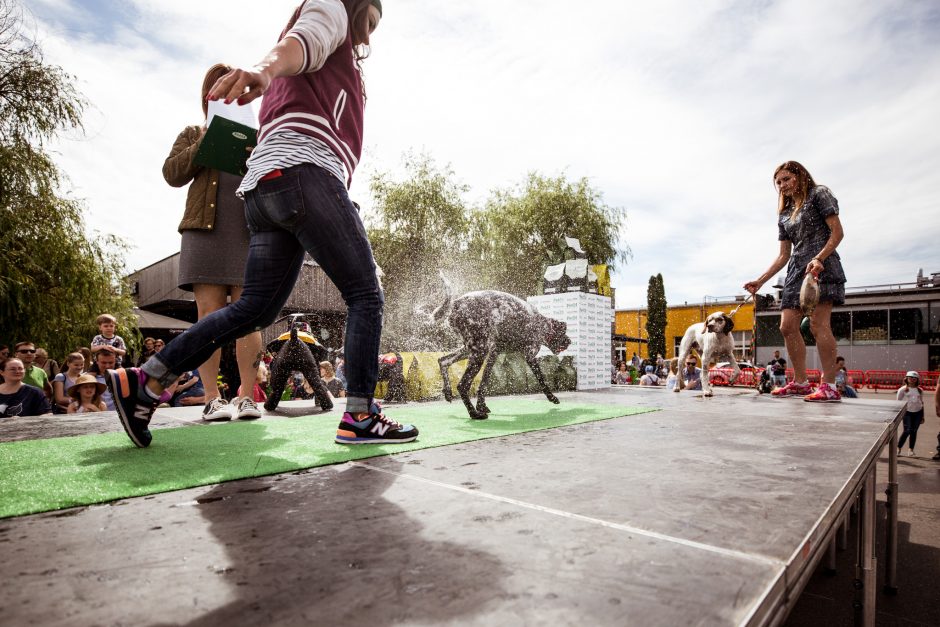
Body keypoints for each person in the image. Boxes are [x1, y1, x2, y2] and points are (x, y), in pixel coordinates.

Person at [105, 0, 417, 449]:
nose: (368, 36)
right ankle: (362, 415)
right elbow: (298, 43)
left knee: (254, 310)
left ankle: (147, 380)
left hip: (266, 188)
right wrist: (262, 71)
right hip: (304, 171)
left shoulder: (336, 58)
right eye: (368, 21)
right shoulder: (329, 10)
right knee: (366, 294)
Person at [163, 63, 264, 422]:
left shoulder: (259, 133)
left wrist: (259, 157)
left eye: (233, 90)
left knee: (249, 317)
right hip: (204, 232)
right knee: (209, 315)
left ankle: (248, 397)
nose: (228, 96)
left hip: (248, 232)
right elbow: (171, 174)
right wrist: (205, 140)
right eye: (219, 91)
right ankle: (211, 397)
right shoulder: (193, 131)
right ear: (209, 96)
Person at [744, 161, 846, 402]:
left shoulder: (819, 194)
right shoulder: (785, 212)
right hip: (795, 270)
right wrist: (760, 281)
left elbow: (837, 232)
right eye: (778, 182)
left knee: (817, 324)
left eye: (787, 179)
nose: (782, 185)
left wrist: (820, 258)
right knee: (787, 326)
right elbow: (783, 255)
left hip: (822, 265)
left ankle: (829, 385)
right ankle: (800, 382)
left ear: (800, 177)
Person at [896, 371, 924, 457]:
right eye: (910, 378)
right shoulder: (902, 389)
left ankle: (911, 450)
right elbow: (898, 402)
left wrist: (923, 415)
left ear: (917, 380)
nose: (912, 379)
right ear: (906, 378)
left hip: (918, 413)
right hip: (907, 412)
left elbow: (921, 403)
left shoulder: (920, 390)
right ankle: (898, 447)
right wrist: (898, 414)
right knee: (907, 430)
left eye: (914, 378)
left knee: (914, 431)